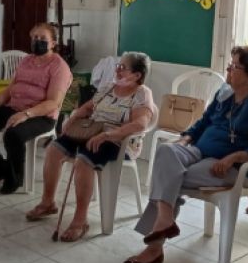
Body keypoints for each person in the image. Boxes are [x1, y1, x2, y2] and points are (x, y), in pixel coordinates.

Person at [124, 46, 248, 263]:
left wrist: (234, 157)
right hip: (199, 151)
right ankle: (165, 220)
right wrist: (185, 139)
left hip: (229, 166)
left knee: (169, 177)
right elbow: (203, 122)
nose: (228, 69)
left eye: (234, 66)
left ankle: (154, 248)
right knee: (166, 151)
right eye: (230, 65)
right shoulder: (225, 92)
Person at [25, 52, 155, 242]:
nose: (117, 70)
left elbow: (140, 124)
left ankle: (80, 221)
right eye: (117, 66)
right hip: (91, 131)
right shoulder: (109, 87)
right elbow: (87, 107)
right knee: (54, 149)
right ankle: (48, 202)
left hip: (118, 141)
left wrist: (108, 134)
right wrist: (73, 118)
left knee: (83, 160)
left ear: (137, 75)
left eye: (122, 67)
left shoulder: (142, 94)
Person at [0, 23, 72, 194]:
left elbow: (53, 102)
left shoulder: (59, 67)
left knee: (12, 133)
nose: (37, 41)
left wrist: (26, 114)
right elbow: (10, 88)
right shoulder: (27, 60)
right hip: (14, 107)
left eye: (43, 38)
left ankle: (14, 178)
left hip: (41, 115)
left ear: (53, 43)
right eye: (35, 37)